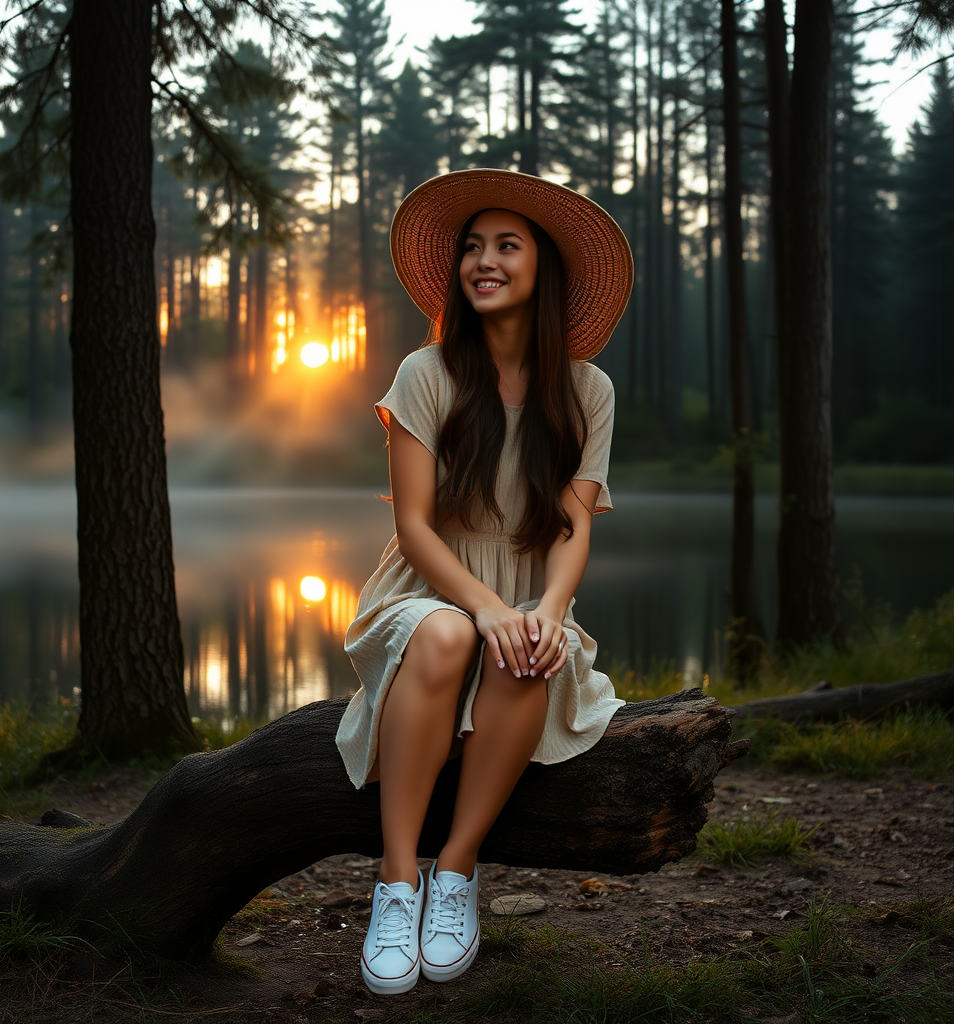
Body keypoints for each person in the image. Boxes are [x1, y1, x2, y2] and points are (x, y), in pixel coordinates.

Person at [335, 168, 634, 996]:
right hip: (428, 586)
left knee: (527, 649)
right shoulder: (425, 375)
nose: (484, 260)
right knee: (448, 631)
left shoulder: (587, 391)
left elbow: (573, 527)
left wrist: (547, 609)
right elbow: (414, 527)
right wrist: (489, 605)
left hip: (530, 588)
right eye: (472, 247)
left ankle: (455, 873)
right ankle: (397, 883)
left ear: (544, 269)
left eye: (507, 245)